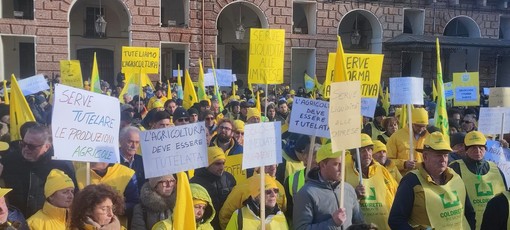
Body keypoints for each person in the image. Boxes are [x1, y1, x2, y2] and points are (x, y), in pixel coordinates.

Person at [388, 132, 476, 229]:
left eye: (445, 155)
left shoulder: (456, 178)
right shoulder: (411, 181)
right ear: (425, 156)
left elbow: (469, 213)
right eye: (438, 155)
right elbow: (396, 220)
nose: (443, 160)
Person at [1, 124, 77, 217]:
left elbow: (74, 194)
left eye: (31, 146)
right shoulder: (10, 160)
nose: (26, 149)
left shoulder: (62, 165)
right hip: (16, 219)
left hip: (48, 221)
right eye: (23, 144)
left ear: (47, 147)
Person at [293, 143, 364, 229]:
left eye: (343, 163)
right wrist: (332, 223)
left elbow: (359, 223)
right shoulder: (306, 193)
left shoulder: (348, 189)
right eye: (336, 164)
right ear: (323, 165)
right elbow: (301, 228)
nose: (342, 168)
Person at [449, 131, 507, 229]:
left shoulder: (496, 168)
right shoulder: (455, 167)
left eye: (481, 147)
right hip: (466, 224)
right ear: (466, 149)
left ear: (485, 149)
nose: (477, 151)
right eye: (473, 147)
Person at [345, 134, 397, 229]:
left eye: (369, 149)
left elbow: (396, 193)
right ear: (353, 154)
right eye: (362, 150)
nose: (367, 154)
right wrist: (355, 196)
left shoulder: (382, 170)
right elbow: (338, 204)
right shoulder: (344, 172)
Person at [75, 162, 140, 227]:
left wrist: (109, 209)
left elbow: (134, 204)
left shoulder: (127, 173)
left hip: (117, 226)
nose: (91, 160)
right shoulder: (80, 173)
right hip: (86, 226)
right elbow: (74, 201)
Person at [190, 147, 236, 230]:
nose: (222, 167)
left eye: (223, 163)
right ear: (207, 164)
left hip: (228, 225)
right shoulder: (194, 183)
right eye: (217, 164)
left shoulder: (229, 179)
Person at [386, 107, 430, 174]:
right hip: (403, 179)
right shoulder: (396, 137)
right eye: (418, 126)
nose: (421, 129)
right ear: (411, 123)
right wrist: (404, 164)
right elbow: (387, 161)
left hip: (424, 179)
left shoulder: (429, 138)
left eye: (423, 126)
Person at [209, 119, 245, 183]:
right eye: (221, 127)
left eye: (227, 128)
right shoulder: (208, 149)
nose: (223, 130)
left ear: (232, 133)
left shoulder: (241, 151)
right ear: (217, 130)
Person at [119, 126, 145, 191]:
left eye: (137, 142)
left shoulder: (142, 161)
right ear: (121, 141)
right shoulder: (112, 161)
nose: (134, 146)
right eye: (130, 142)